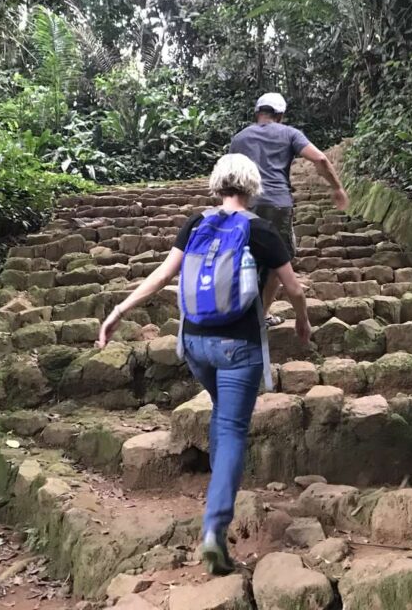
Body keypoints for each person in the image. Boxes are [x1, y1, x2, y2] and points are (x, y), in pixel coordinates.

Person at [97, 154, 311, 575]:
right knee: (232, 429)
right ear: (252, 187)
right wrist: (302, 320)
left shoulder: (196, 223)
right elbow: (294, 289)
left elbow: (162, 276)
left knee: (221, 415)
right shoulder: (262, 230)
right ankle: (213, 530)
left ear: (216, 185)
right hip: (239, 347)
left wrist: (118, 310)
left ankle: (216, 496)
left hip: (194, 344)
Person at [229, 92, 349, 323]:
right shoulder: (290, 133)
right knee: (276, 260)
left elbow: (230, 176)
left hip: (247, 206)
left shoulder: (239, 139)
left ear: (258, 113)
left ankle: (239, 314)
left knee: (246, 257)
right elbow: (321, 160)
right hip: (278, 204)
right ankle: (261, 316)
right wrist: (337, 188)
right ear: (281, 115)